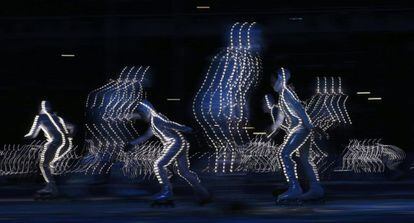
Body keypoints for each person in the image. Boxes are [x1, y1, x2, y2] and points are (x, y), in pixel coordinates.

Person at [129, 100, 211, 204]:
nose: (141, 115)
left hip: (175, 143)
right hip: (181, 143)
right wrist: (132, 144)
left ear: (146, 110)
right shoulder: (153, 123)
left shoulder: (157, 119)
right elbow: (146, 136)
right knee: (184, 172)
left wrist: (187, 129)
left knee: (158, 165)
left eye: (141, 112)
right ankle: (204, 194)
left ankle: (166, 192)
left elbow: (170, 124)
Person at [270, 67, 324, 202]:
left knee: (283, 154)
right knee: (305, 159)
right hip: (301, 128)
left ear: (280, 79)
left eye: (273, 80)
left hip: (300, 128)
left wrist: (311, 126)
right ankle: (316, 189)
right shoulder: (283, 94)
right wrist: (273, 128)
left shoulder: (286, 92)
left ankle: (294, 188)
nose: (272, 84)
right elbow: (281, 117)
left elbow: (300, 109)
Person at [24, 100, 75, 198]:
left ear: (40, 108)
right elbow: (73, 127)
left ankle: (53, 188)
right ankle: (50, 186)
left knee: (44, 164)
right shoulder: (58, 118)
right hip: (67, 144)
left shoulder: (40, 117)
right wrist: (69, 135)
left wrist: (24, 137)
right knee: (48, 164)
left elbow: (32, 134)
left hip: (56, 142)